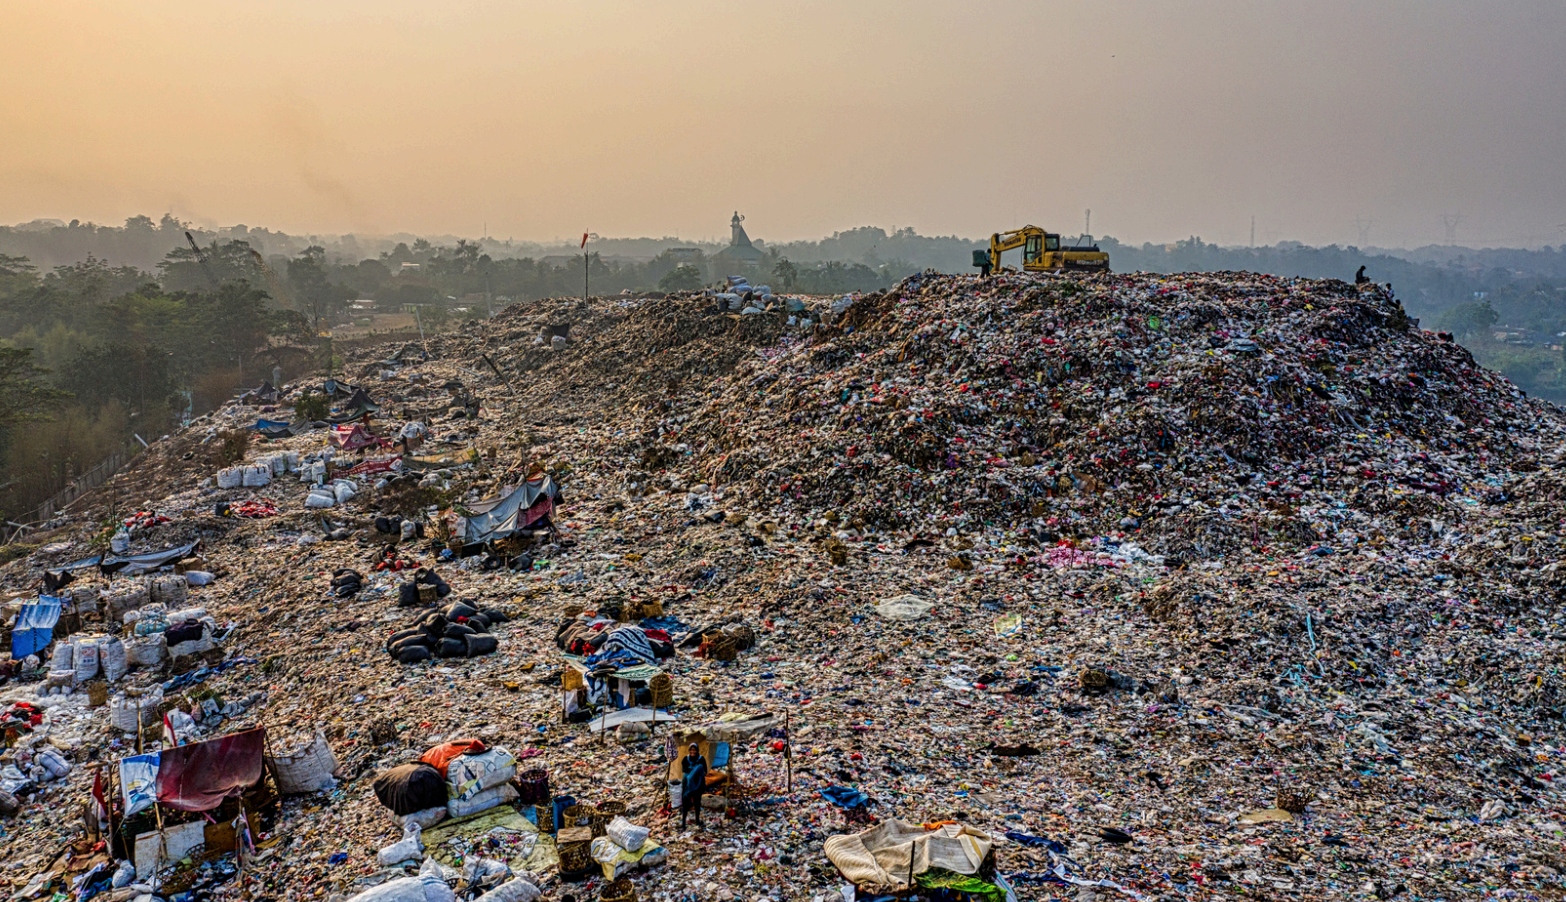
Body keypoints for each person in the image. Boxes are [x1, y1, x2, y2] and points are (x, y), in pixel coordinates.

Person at [680, 743, 708, 829]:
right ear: (689, 750)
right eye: (691, 750)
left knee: (697, 803)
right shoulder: (686, 759)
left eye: (694, 750)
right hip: (687, 786)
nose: (693, 752)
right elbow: (684, 769)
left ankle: (697, 821)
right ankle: (683, 824)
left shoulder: (701, 759)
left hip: (697, 785)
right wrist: (692, 771)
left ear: (697, 750)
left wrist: (697, 773)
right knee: (685, 804)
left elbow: (705, 771)